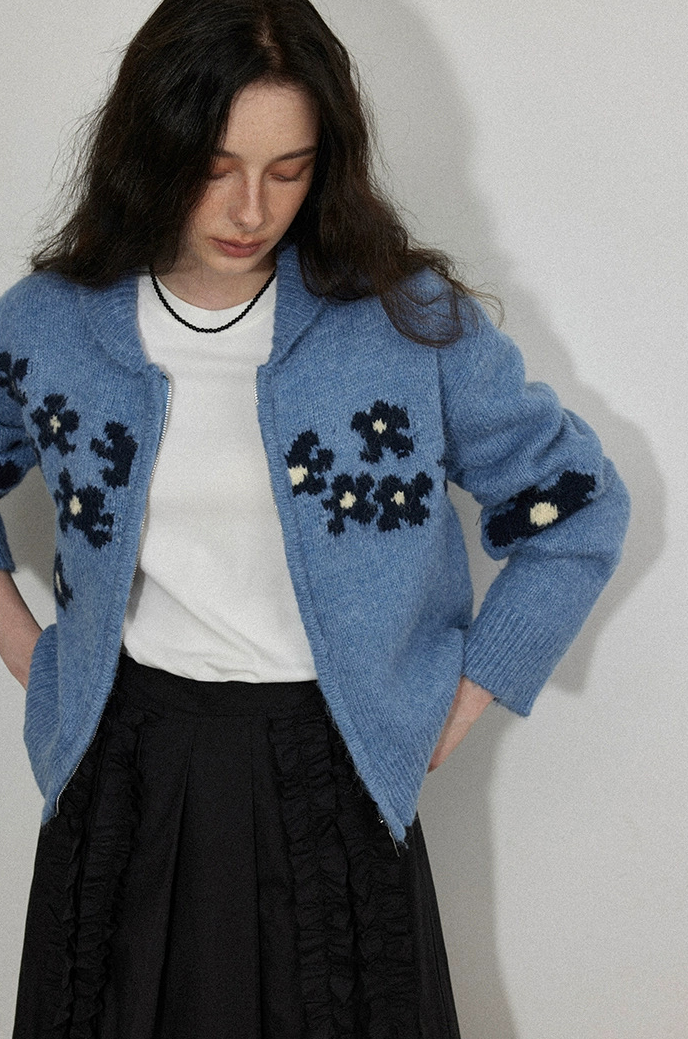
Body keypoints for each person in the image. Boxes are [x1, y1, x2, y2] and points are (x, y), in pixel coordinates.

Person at [0, 0, 630, 1035]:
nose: (250, 207)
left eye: (287, 170)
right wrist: (39, 661)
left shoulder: (405, 323)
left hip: (332, 779)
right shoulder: (51, 323)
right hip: (123, 778)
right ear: (149, 149)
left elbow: (578, 506)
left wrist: (459, 700)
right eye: (213, 167)